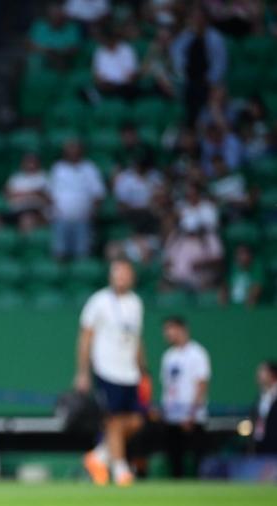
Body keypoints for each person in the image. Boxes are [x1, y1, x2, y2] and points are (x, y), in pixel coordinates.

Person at [75, 259, 146, 487]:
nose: (121, 278)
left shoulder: (136, 303)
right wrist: (83, 372)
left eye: (125, 273)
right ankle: (120, 470)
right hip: (106, 369)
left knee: (135, 421)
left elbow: (136, 338)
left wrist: (142, 369)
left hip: (129, 372)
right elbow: (86, 337)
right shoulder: (99, 301)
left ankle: (99, 457)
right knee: (113, 420)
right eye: (118, 273)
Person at [159, 316, 210, 478]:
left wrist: (191, 413)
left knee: (197, 458)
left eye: (170, 329)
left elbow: (201, 384)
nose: (167, 334)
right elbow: (167, 387)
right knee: (175, 459)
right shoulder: (168, 356)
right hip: (172, 416)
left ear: (182, 329)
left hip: (193, 416)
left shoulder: (197, 353)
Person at [48, 139, 106, 260]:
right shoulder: (58, 168)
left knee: (82, 254)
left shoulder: (89, 168)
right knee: (59, 253)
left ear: (81, 151)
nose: (73, 153)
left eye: (75, 150)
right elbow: (50, 193)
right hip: (61, 218)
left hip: (83, 218)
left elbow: (98, 194)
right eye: (70, 150)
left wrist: (93, 212)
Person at [253, 360, 277, 454]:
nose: (258, 374)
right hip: (262, 447)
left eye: (263, 371)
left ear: (272, 374)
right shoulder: (260, 397)